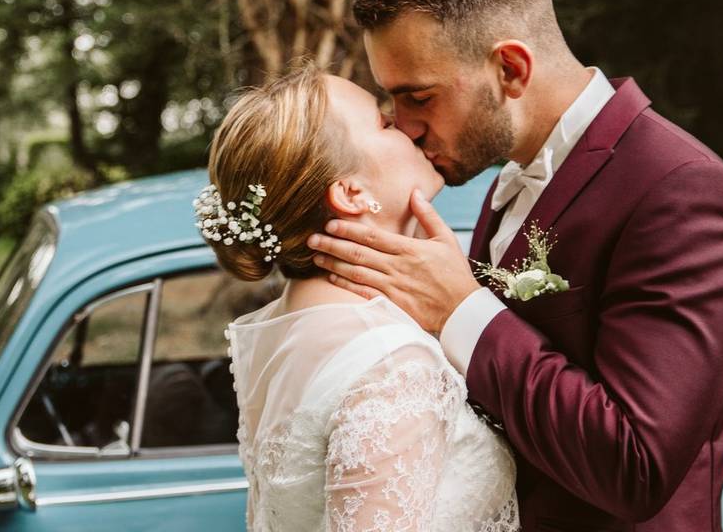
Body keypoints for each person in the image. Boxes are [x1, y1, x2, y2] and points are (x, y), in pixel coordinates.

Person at [308, 0, 723, 531]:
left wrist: (459, 311)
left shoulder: (680, 189)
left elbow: (636, 466)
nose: (404, 125)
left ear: (511, 70)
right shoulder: (507, 183)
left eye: (419, 96)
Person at [195, 62, 519, 531]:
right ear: (350, 192)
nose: (406, 126)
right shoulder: (390, 363)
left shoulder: (286, 324)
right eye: (385, 124)